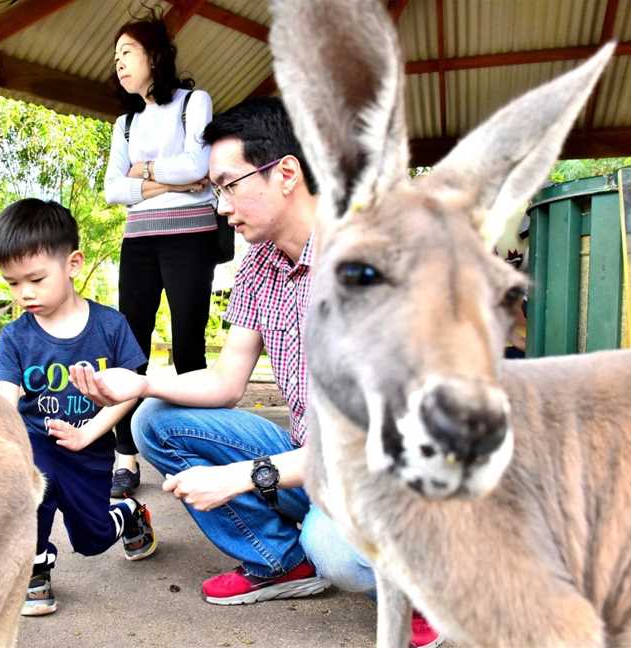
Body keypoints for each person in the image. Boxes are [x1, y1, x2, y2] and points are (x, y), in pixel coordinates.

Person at [71, 98, 442, 648]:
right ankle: (282, 562)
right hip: (309, 461)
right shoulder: (259, 264)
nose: (220, 206)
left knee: (335, 547)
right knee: (155, 420)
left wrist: (244, 476)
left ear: (286, 173)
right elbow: (226, 380)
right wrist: (143, 382)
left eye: (228, 185)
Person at [0, 198, 158, 617]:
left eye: (36, 279)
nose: (24, 293)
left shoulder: (111, 326)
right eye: (11, 283)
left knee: (92, 540)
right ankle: (35, 569)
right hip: (37, 444)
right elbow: (5, 392)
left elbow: (131, 390)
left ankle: (128, 512)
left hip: (90, 449)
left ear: (74, 264)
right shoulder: (15, 337)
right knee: (31, 498)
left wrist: (90, 433)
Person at [103, 10, 218, 498]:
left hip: (191, 235)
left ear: (154, 55)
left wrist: (143, 173)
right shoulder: (124, 123)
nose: (119, 64)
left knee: (189, 342)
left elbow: (201, 163)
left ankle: (196, 453)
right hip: (140, 241)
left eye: (126, 53)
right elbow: (112, 189)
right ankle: (125, 456)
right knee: (131, 345)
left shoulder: (195, 102)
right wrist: (173, 182)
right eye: (115, 57)